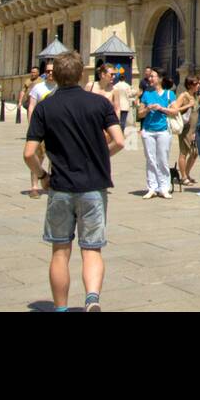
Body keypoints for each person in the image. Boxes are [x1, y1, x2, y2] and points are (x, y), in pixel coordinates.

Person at [23, 51, 124, 312]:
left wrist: (43, 176)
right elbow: (120, 140)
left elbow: (29, 153)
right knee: (92, 249)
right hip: (93, 186)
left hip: (60, 187)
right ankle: (92, 298)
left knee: (60, 251)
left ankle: (60, 308)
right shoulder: (99, 104)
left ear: (54, 76)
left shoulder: (45, 106)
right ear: (82, 75)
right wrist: (102, 157)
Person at [138, 73, 178, 200]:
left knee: (163, 159)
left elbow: (175, 111)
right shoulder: (146, 94)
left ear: (160, 78)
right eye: (149, 77)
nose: (150, 79)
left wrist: (161, 108)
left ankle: (164, 188)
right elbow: (139, 114)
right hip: (148, 131)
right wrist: (147, 109)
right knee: (150, 160)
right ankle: (152, 187)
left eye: (153, 76)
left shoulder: (169, 94)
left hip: (163, 131)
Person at [25, 70, 58, 198]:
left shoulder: (60, 87)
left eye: (52, 71)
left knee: (55, 159)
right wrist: (31, 125)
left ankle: (52, 184)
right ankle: (34, 187)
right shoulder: (38, 87)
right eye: (48, 71)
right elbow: (31, 107)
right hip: (41, 128)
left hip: (55, 129)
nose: (50, 73)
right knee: (37, 157)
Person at [109, 67, 133, 131]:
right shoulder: (127, 85)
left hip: (117, 105)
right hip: (125, 105)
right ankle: (122, 132)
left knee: (117, 119)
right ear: (124, 78)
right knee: (123, 120)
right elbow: (130, 94)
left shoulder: (115, 85)